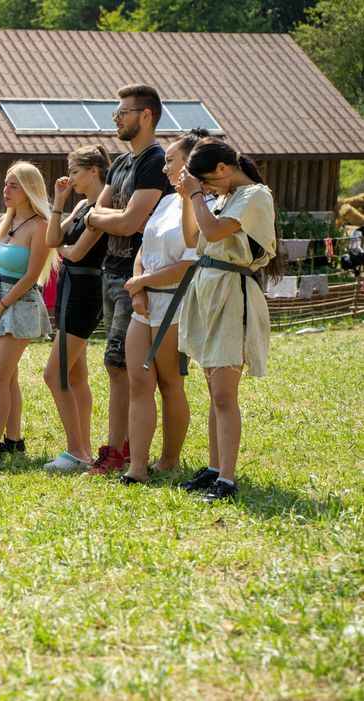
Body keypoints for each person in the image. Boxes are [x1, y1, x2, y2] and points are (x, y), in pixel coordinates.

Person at [175, 138, 282, 502]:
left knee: (223, 394)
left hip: (232, 292)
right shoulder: (220, 197)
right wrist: (187, 198)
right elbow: (193, 236)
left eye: (207, 181)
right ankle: (215, 467)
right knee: (214, 392)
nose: (204, 188)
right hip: (207, 290)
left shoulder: (256, 195)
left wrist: (195, 196)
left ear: (223, 169)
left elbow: (215, 232)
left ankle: (228, 479)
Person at [81, 84, 172, 476]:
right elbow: (95, 211)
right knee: (117, 366)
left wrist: (100, 217)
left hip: (141, 276)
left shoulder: (155, 162)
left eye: (122, 112)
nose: (115, 119)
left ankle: (118, 452)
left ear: (145, 115)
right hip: (112, 271)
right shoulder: (119, 163)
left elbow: (131, 221)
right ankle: (126, 445)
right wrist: (101, 217)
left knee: (128, 369)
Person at [120, 129, 212, 485]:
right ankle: (137, 467)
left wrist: (144, 283)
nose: (164, 168)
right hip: (144, 305)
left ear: (189, 163)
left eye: (170, 161)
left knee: (170, 383)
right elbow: (144, 245)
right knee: (138, 384)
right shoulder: (166, 200)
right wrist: (138, 287)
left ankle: (169, 460)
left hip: (175, 302)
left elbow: (193, 261)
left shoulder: (202, 204)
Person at [0, 162, 56, 465]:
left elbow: (32, 276)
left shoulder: (41, 225)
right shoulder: (6, 221)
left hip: (18, 305)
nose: (6, 190)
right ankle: (13, 439)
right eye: (6, 184)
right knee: (8, 377)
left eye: (13, 186)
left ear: (29, 189)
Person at [41, 145, 111, 471]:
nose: (70, 177)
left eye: (75, 170)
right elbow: (52, 240)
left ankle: (77, 451)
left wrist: (64, 249)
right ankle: (82, 449)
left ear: (93, 169)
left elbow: (77, 253)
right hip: (70, 288)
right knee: (76, 376)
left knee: (54, 374)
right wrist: (58, 202)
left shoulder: (106, 201)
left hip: (86, 292)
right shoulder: (82, 204)